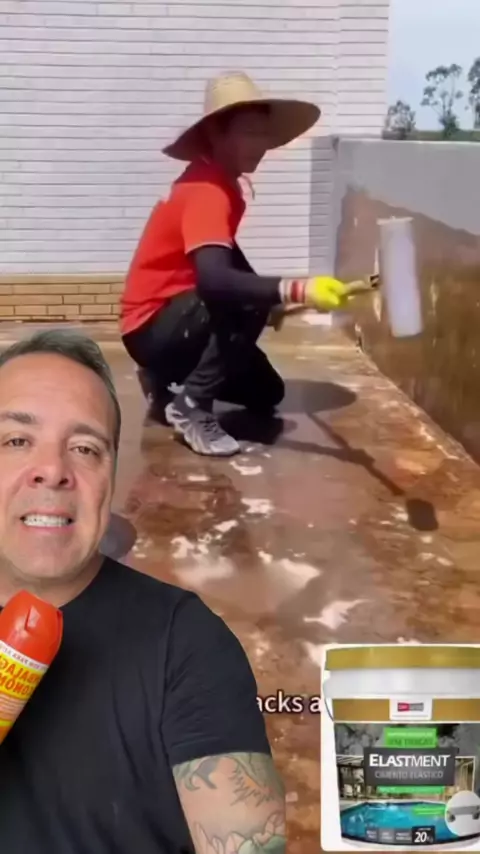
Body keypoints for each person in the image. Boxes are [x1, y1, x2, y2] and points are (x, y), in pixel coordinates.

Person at [0, 329, 285, 854]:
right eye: (17, 440)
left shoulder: (185, 645)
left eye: (85, 448)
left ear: (110, 479)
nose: (53, 471)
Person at [120, 71, 352, 457]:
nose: (260, 145)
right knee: (242, 299)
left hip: (172, 325)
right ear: (216, 134)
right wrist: (296, 289)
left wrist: (274, 301)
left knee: (267, 393)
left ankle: (163, 378)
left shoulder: (219, 183)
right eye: (248, 132)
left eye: (264, 134)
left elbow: (228, 258)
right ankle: (191, 406)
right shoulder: (207, 190)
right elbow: (215, 280)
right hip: (152, 325)